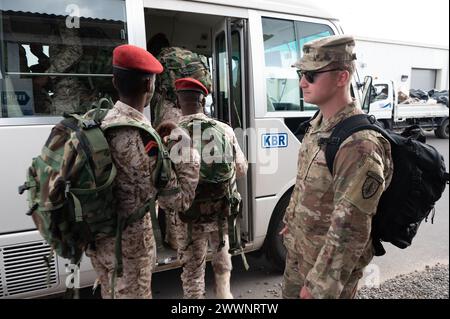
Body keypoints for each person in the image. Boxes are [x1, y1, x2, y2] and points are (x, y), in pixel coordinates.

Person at [281, 35, 394, 299]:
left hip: (326, 273)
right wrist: (292, 220)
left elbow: (351, 228)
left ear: (342, 77)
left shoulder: (359, 144)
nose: (302, 82)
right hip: (301, 255)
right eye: (300, 73)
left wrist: (320, 286)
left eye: (310, 74)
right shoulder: (318, 124)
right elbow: (306, 183)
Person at [86, 45, 200, 299]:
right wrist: (186, 146)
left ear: (115, 81)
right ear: (150, 86)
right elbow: (179, 200)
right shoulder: (142, 140)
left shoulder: (96, 120)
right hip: (131, 251)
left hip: (99, 241)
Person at [170, 77, 247, 299]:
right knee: (222, 260)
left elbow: (166, 184)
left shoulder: (172, 134)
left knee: (193, 272)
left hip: (189, 217)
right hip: (220, 212)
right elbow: (241, 169)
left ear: (178, 101)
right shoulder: (224, 130)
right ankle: (224, 297)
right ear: (203, 100)